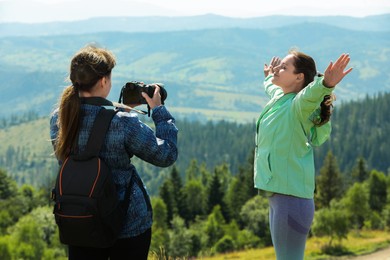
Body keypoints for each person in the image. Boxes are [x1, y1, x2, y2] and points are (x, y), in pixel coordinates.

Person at [50, 45, 178, 260]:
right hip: (127, 223)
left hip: (79, 218)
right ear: (103, 81)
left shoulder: (59, 117)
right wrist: (159, 111)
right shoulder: (123, 123)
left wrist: (120, 110)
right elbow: (166, 154)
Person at [254, 50, 352, 260]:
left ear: (299, 77)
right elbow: (271, 88)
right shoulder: (281, 97)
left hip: (291, 199)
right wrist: (268, 77)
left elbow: (310, 96)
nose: (278, 69)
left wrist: (326, 83)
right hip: (280, 195)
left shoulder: (298, 106)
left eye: (284, 68)